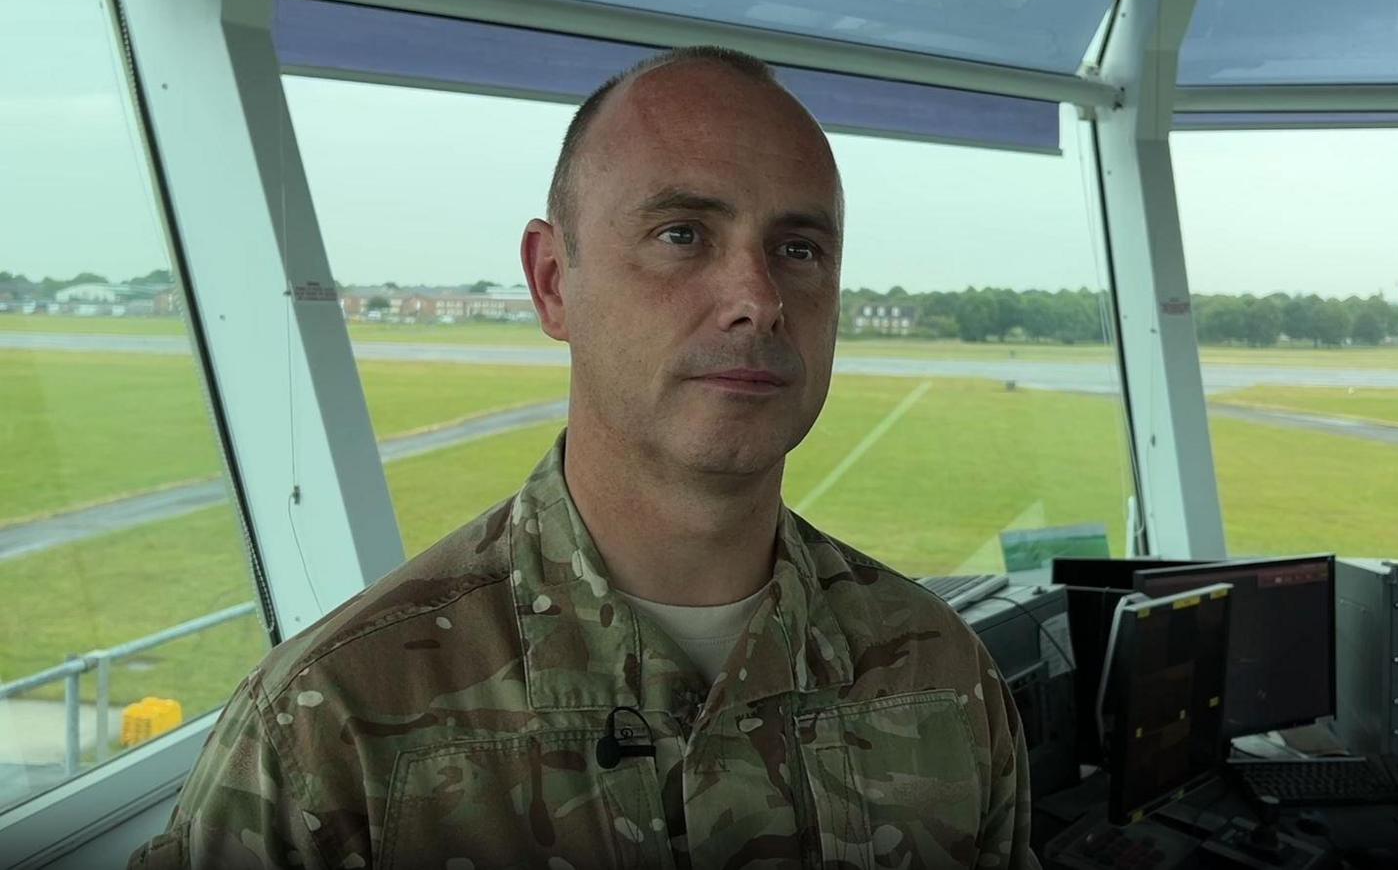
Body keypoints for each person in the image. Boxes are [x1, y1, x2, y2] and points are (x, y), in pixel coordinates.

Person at [131, 46, 1037, 870]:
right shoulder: (335, 730)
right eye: (682, 234)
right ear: (553, 282)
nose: (757, 300)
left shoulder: (939, 676)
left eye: (798, 249)